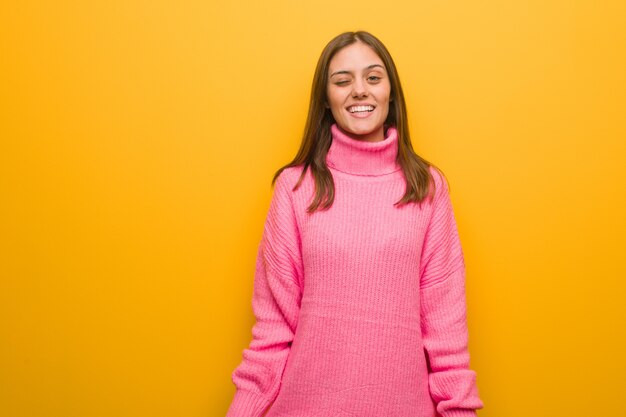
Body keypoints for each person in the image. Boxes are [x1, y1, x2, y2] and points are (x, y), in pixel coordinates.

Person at [226, 31, 483, 417]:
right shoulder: (295, 188)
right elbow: (273, 330)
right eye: (342, 81)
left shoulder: (427, 188)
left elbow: (446, 329)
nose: (359, 91)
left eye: (373, 78)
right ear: (326, 101)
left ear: (391, 94)